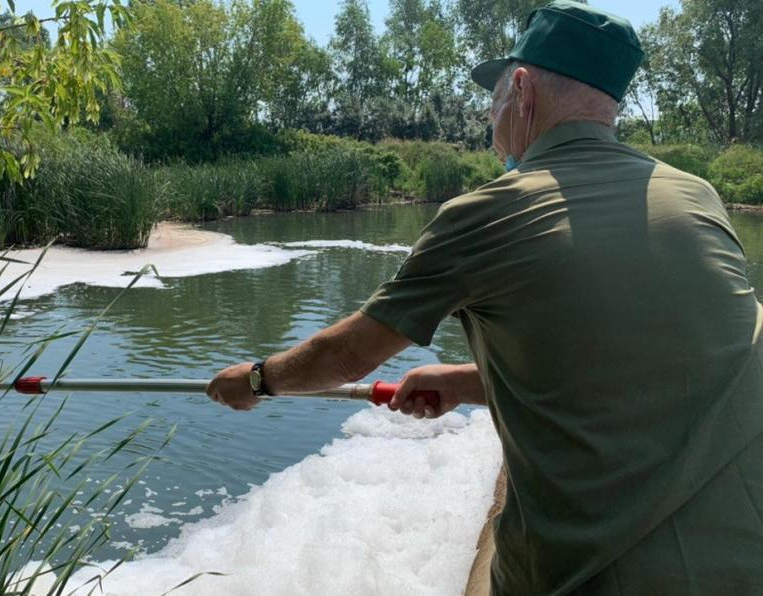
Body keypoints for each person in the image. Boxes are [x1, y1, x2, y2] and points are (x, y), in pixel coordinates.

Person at [206, 1, 763, 594]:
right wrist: (470, 380)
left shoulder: (489, 212)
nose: (489, 117)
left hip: (593, 575)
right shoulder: (696, 196)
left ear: (522, 90)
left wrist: (259, 381)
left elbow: (347, 356)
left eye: (493, 98)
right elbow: (646, 358)